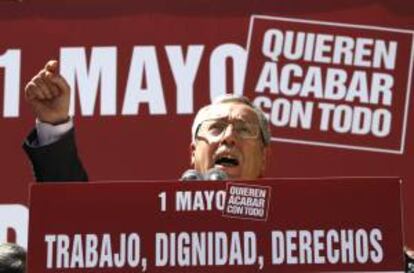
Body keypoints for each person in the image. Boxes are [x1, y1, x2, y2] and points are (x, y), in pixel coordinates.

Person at [23, 60, 271, 182]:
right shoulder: (151, 225)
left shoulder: (297, 234)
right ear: (193, 153)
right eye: (216, 128)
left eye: (243, 129)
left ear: (263, 159)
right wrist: (54, 124)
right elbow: (74, 222)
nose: (228, 137)